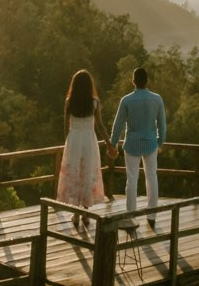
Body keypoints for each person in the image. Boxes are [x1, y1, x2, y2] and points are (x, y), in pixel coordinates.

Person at [108, 64, 167, 224]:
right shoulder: (157, 99)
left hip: (132, 144)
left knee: (132, 179)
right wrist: (161, 142)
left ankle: (130, 216)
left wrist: (112, 144)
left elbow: (117, 125)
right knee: (152, 177)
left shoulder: (126, 100)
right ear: (147, 81)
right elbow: (162, 124)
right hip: (150, 143)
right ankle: (152, 216)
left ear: (133, 81)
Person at [55, 69, 106, 227]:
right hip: (89, 140)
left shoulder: (69, 102)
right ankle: (85, 214)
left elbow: (65, 126)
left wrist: (68, 142)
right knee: (87, 172)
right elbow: (100, 126)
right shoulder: (94, 103)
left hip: (74, 140)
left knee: (74, 173)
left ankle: (76, 215)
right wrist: (109, 143)